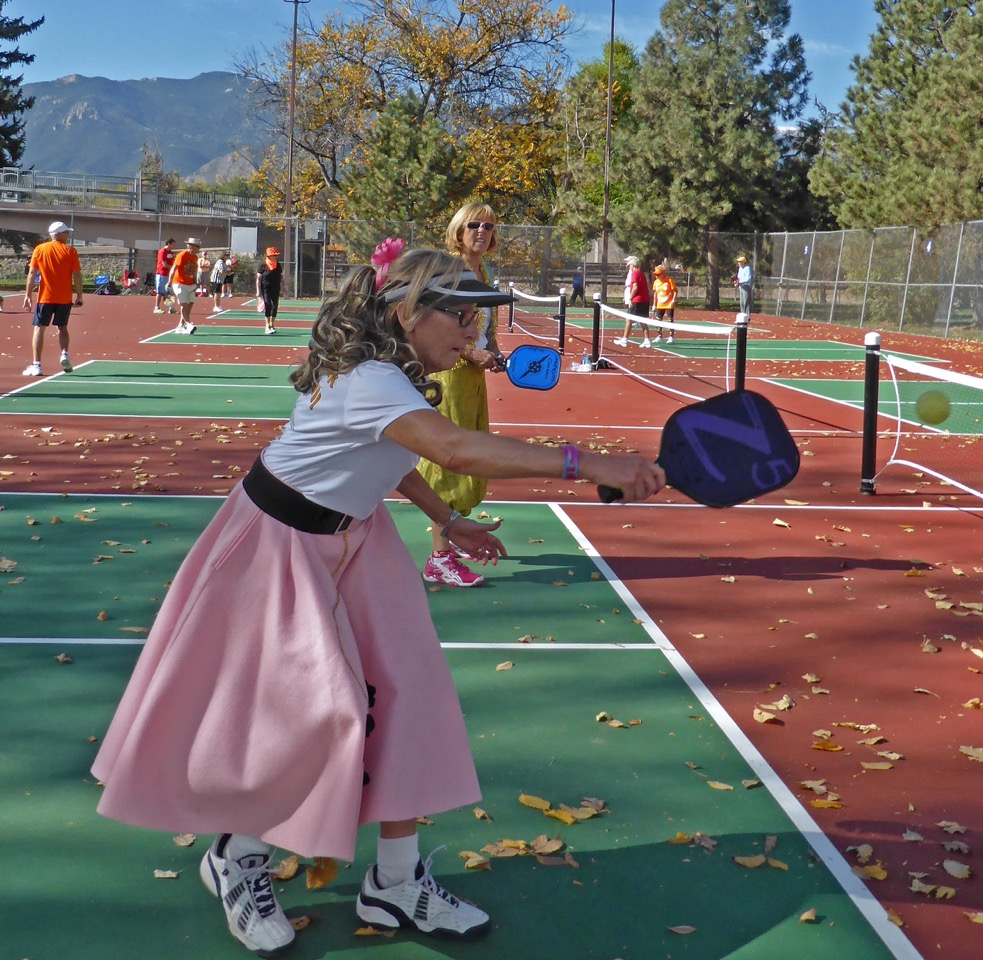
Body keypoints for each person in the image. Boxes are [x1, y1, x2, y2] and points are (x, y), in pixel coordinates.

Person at [89, 247, 664, 956]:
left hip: (357, 536)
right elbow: (451, 449)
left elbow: (391, 458)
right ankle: (236, 857)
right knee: (310, 717)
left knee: (411, 693)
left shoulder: (398, 376)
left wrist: (442, 518)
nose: (471, 334)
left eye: (477, 320)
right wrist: (588, 462)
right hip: (278, 545)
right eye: (459, 316)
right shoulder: (370, 378)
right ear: (407, 312)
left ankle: (396, 880)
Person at [416, 205, 505, 587]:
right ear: (458, 229)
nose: (481, 231)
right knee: (447, 464)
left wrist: (494, 352)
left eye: (488, 225)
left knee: (470, 459)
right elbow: (438, 328)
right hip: (448, 377)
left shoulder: (486, 273)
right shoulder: (449, 272)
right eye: (474, 224)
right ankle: (440, 558)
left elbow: (486, 331)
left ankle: (454, 538)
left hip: (472, 382)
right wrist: (472, 353)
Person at [21, 221, 83, 376]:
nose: (68, 235)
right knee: (62, 327)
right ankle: (64, 354)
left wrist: (28, 295)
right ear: (60, 234)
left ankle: (37, 364)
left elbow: (32, 273)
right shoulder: (70, 251)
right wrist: (80, 296)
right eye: (66, 232)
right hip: (64, 298)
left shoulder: (40, 249)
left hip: (45, 297)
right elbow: (77, 275)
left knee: (39, 328)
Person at [614, 255, 652, 348]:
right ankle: (647, 340)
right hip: (644, 300)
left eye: (629, 264)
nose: (628, 266)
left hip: (637, 300)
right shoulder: (641, 273)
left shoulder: (635, 273)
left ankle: (624, 340)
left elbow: (635, 287)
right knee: (643, 320)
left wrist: (630, 298)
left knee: (629, 320)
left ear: (632, 264)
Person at [168, 237, 202, 334]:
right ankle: (188, 324)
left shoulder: (195, 258)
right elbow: (174, 268)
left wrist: (196, 284)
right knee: (184, 304)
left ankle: (180, 326)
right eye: (197, 246)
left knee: (189, 305)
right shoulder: (182, 255)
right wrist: (169, 281)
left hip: (190, 284)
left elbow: (194, 272)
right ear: (191, 247)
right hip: (179, 283)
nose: (198, 249)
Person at [256, 246, 283, 334]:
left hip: (276, 287)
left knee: (275, 306)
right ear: (268, 256)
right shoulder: (263, 265)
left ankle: (272, 325)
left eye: (276, 255)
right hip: (265, 287)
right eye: (274, 255)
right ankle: (267, 326)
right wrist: (257, 291)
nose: (276, 256)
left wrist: (284, 285)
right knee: (268, 305)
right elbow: (258, 278)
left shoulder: (278, 265)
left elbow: (280, 276)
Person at [651, 264, 678, 344]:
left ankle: (671, 336)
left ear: (663, 274)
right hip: (660, 303)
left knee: (670, 319)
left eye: (658, 274)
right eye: (655, 274)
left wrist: (673, 300)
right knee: (658, 320)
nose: (656, 276)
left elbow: (675, 291)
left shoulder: (669, 281)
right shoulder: (656, 282)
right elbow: (655, 294)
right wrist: (654, 304)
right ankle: (659, 336)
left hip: (669, 303)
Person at [153, 238, 176, 315]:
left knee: (169, 292)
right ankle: (157, 307)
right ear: (169, 244)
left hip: (169, 275)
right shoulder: (162, 251)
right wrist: (173, 268)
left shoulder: (171, 253)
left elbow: (172, 262)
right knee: (160, 292)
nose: (173, 246)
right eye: (172, 244)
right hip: (161, 274)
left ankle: (171, 308)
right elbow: (164, 264)